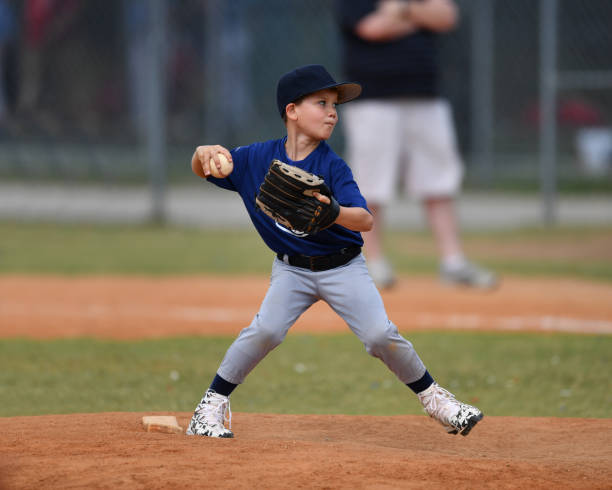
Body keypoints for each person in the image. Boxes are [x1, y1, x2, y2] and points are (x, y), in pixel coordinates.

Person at [186, 64, 483, 438]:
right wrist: (203, 153)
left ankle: (437, 401)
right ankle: (208, 410)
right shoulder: (255, 159)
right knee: (265, 331)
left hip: (343, 268)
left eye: (335, 106)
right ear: (291, 110)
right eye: (321, 103)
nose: (332, 113)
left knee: (379, 335)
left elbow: (365, 219)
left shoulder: (332, 166)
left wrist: (334, 212)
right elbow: (206, 168)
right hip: (291, 270)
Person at [335, 0, 497, 289]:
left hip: (425, 94)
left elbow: (446, 16)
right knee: (371, 185)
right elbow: (372, 28)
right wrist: (420, 17)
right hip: (373, 97)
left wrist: (401, 10)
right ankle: (372, 263)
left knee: (439, 180)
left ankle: (453, 262)